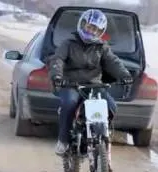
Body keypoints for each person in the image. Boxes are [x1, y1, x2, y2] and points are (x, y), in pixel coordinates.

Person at [46, 8, 133, 157]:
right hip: (71, 85)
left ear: (100, 32)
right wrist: (57, 76)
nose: (91, 31)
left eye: (96, 30)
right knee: (69, 104)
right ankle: (63, 140)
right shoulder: (68, 43)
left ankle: (100, 133)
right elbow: (57, 60)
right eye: (90, 27)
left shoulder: (102, 47)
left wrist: (125, 75)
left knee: (111, 106)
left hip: (94, 85)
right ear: (83, 24)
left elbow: (113, 62)